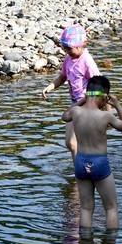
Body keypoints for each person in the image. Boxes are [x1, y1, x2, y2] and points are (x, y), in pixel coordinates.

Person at [62, 75, 122, 229]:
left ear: (87, 94)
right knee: (111, 208)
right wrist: (117, 105)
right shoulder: (105, 115)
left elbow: (64, 116)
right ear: (105, 97)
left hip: (80, 162)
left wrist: (81, 101)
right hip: (99, 163)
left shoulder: (76, 112)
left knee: (86, 209)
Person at [42, 24, 100, 159]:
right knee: (70, 142)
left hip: (87, 105)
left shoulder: (87, 61)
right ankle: (80, 170)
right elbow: (63, 77)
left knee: (76, 142)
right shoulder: (69, 59)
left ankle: (83, 170)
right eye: (65, 48)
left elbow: (99, 83)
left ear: (80, 45)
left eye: (69, 48)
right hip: (75, 103)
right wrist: (50, 87)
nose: (67, 51)